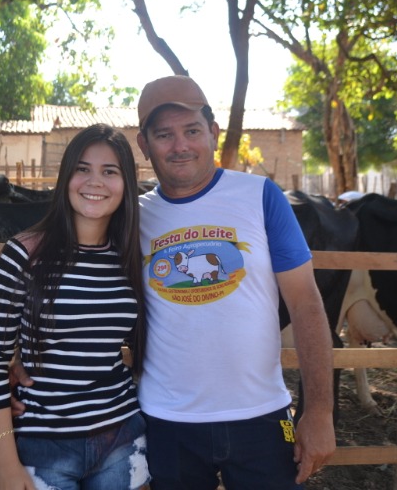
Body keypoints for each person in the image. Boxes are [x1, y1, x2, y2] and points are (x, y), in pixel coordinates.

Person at [132, 75, 335, 489]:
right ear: (144, 145)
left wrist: (319, 412)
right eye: (164, 135)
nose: (180, 145)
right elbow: (79, 283)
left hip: (260, 416)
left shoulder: (260, 196)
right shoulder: (133, 217)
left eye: (191, 130)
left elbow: (305, 303)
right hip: (168, 421)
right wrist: (29, 354)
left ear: (213, 132)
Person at [0, 123, 150, 490]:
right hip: (44, 444)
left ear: (126, 184)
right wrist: (5, 463)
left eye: (110, 171)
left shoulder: (131, 255)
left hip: (120, 438)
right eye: (82, 168)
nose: (95, 181)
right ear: (66, 176)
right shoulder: (23, 254)